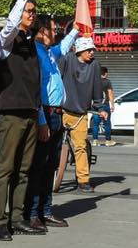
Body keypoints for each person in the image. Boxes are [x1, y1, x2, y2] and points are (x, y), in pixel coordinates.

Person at [0, 0, 41, 240]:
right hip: (11, 113)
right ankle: (0, 222)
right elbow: (10, 27)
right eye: (27, 10)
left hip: (31, 113)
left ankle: (18, 216)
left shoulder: (33, 43)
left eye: (33, 11)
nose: (31, 15)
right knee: (6, 169)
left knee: (24, 169)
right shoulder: (5, 41)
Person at [26, 15, 78, 229]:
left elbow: (63, 47)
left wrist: (75, 30)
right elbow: (36, 90)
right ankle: (32, 212)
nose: (55, 33)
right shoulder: (35, 54)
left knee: (51, 166)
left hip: (57, 114)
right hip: (44, 114)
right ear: (41, 31)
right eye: (52, 29)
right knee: (39, 165)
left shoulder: (48, 52)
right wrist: (41, 121)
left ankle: (46, 210)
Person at [60, 35, 107, 194]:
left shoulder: (94, 65)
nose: (92, 52)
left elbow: (97, 87)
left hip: (81, 113)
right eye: (89, 50)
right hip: (62, 109)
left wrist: (100, 108)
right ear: (79, 50)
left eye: (93, 49)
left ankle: (83, 180)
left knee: (80, 147)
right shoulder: (67, 60)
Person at [90, 66, 115, 147]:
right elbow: (110, 93)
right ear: (105, 73)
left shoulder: (94, 81)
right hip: (105, 104)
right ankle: (108, 140)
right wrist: (112, 104)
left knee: (95, 124)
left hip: (96, 105)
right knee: (107, 123)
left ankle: (95, 140)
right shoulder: (107, 82)